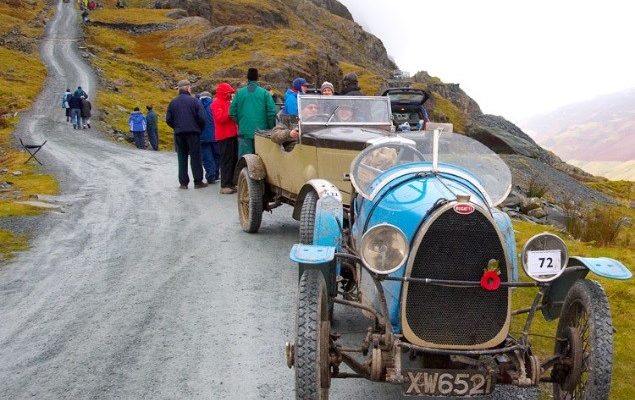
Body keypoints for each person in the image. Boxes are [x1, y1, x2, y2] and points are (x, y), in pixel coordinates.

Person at [166, 80, 207, 189]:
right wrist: (199, 128)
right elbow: (202, 118)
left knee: (182, 157)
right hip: (193, 132)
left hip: (179, 133)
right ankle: (198, 182)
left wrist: (176, 127)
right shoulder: (194, 101)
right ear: (188, 88)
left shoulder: (173, 102)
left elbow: (168, 119)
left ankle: (183, 183)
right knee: (195, 157)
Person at [229, 68, 277, 157]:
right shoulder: (264, 93)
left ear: (247, 78)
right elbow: (271, 112)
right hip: (262, 132)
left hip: (244, 132)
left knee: (245, 162)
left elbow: (232, 112)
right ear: (257, 78)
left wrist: (240, 123)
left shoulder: (239, 93)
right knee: (262, 161)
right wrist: (270, 127)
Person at [212, 82, 238, 194]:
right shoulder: (216, 103)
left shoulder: (227, 103)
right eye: (228, 93)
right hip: (223, 136)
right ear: (223, 93)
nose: (230, 95)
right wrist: (230, 110)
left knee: (233, 159)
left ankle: (231, 183)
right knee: (226, 160)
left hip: (232, 135)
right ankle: (225, 184)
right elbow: (220, 118)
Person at [199, 91, 219, 184]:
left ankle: (210, 175)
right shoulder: (214, 105)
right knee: (217, 155)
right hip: (215, 135)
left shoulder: (197, 105)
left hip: (202, 136)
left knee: (207, 157)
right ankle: (215, 174)